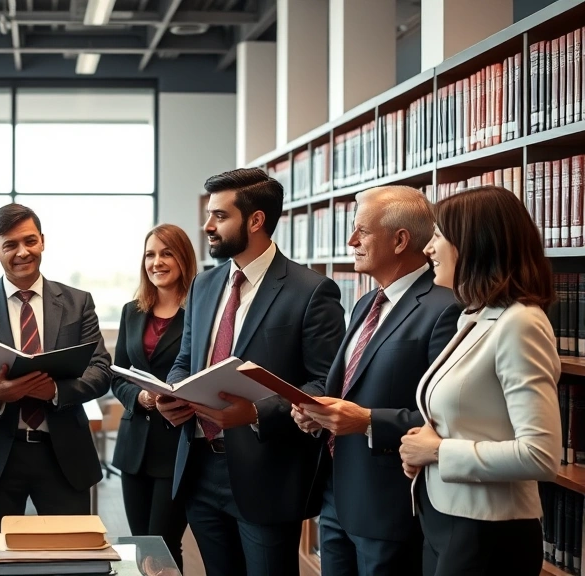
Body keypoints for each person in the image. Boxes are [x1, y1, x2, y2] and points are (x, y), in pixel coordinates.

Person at [156, 167, 345, 576]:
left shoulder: (312, 291)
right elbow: (186, 360)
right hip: (199, 467)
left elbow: (325, 384)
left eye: (220, 216)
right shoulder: (204, 286)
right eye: (209, 214)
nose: (207, 226)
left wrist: (256, 413)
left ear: (256, 220)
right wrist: (170, 393)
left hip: (267, 473)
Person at [290, 186, 461, 576]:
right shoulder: (368, 302)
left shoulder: (445, 309)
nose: (351, 241)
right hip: (335, 496)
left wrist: (366, 420)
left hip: (389, 508)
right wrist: (318, 413)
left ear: (400, 240)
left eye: (361, 231)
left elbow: (447, 419)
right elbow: (344, 388)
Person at [399, 185, 561, 576]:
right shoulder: (475, 317)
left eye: (438, 235)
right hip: (446, 517)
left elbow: (541, 454)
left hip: (487, 533)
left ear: (473, 243)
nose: (428, 249)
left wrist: (437, 452)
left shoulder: (520, 324)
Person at [0, 203, 112, 537]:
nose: (22, 252)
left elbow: (100, 370)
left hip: (64, 452)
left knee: (72, 558)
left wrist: (54, 391)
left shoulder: (78, 302)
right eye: (10, 245)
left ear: (42, 241)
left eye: (29, 241)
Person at [110, 224, 196, 571]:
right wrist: (142, 396)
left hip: (177, 446)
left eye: (166, 253)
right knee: (137, 545)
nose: (157, 262)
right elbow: (117, 375)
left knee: (162, 544)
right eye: (150, 254)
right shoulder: (133, 311)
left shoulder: (200, 312)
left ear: (183, 259)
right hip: (135, 448)